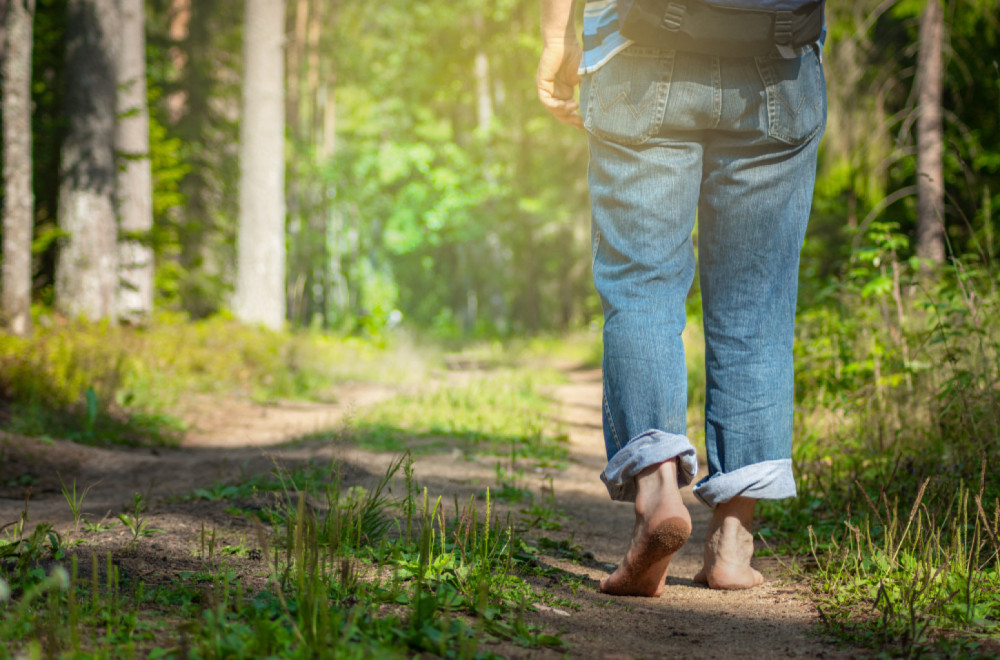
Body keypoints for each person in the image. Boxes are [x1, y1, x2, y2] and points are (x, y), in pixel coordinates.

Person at [537, 0, 827, 596]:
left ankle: (658, 494)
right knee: (755, 309)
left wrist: (555, 36)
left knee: (641, 289)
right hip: (777, 61)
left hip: (635, 53)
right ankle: (732, 547)